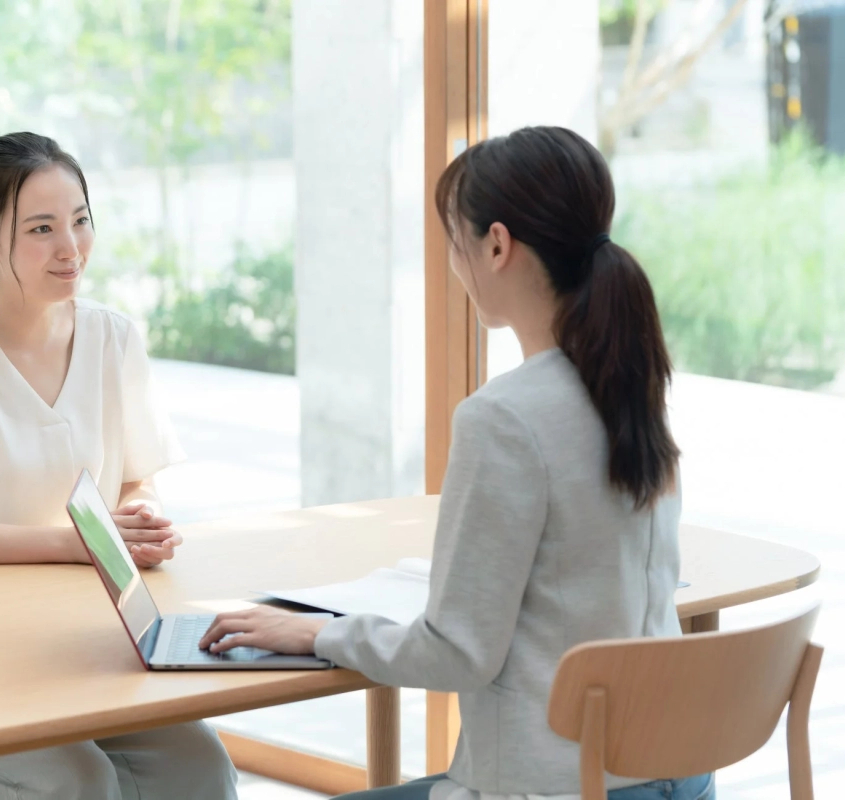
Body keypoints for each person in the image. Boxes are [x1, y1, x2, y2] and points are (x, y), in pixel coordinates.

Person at [198, 126, 715, 800]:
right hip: (675, 775)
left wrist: (318, 633)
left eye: (454, 240)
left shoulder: (505, 418)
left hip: (554, 788)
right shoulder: (631, 386)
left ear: (495, 245)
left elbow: (456, 653)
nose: (452, 261)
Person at [0, 120, 238, 800]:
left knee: (200, 767)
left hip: (81, 634)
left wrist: (138, 516)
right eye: (40, 230)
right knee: (79, 781)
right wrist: (74, 545)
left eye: (80, 221)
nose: (71, 249)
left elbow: (134, 476)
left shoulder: (112, 337)